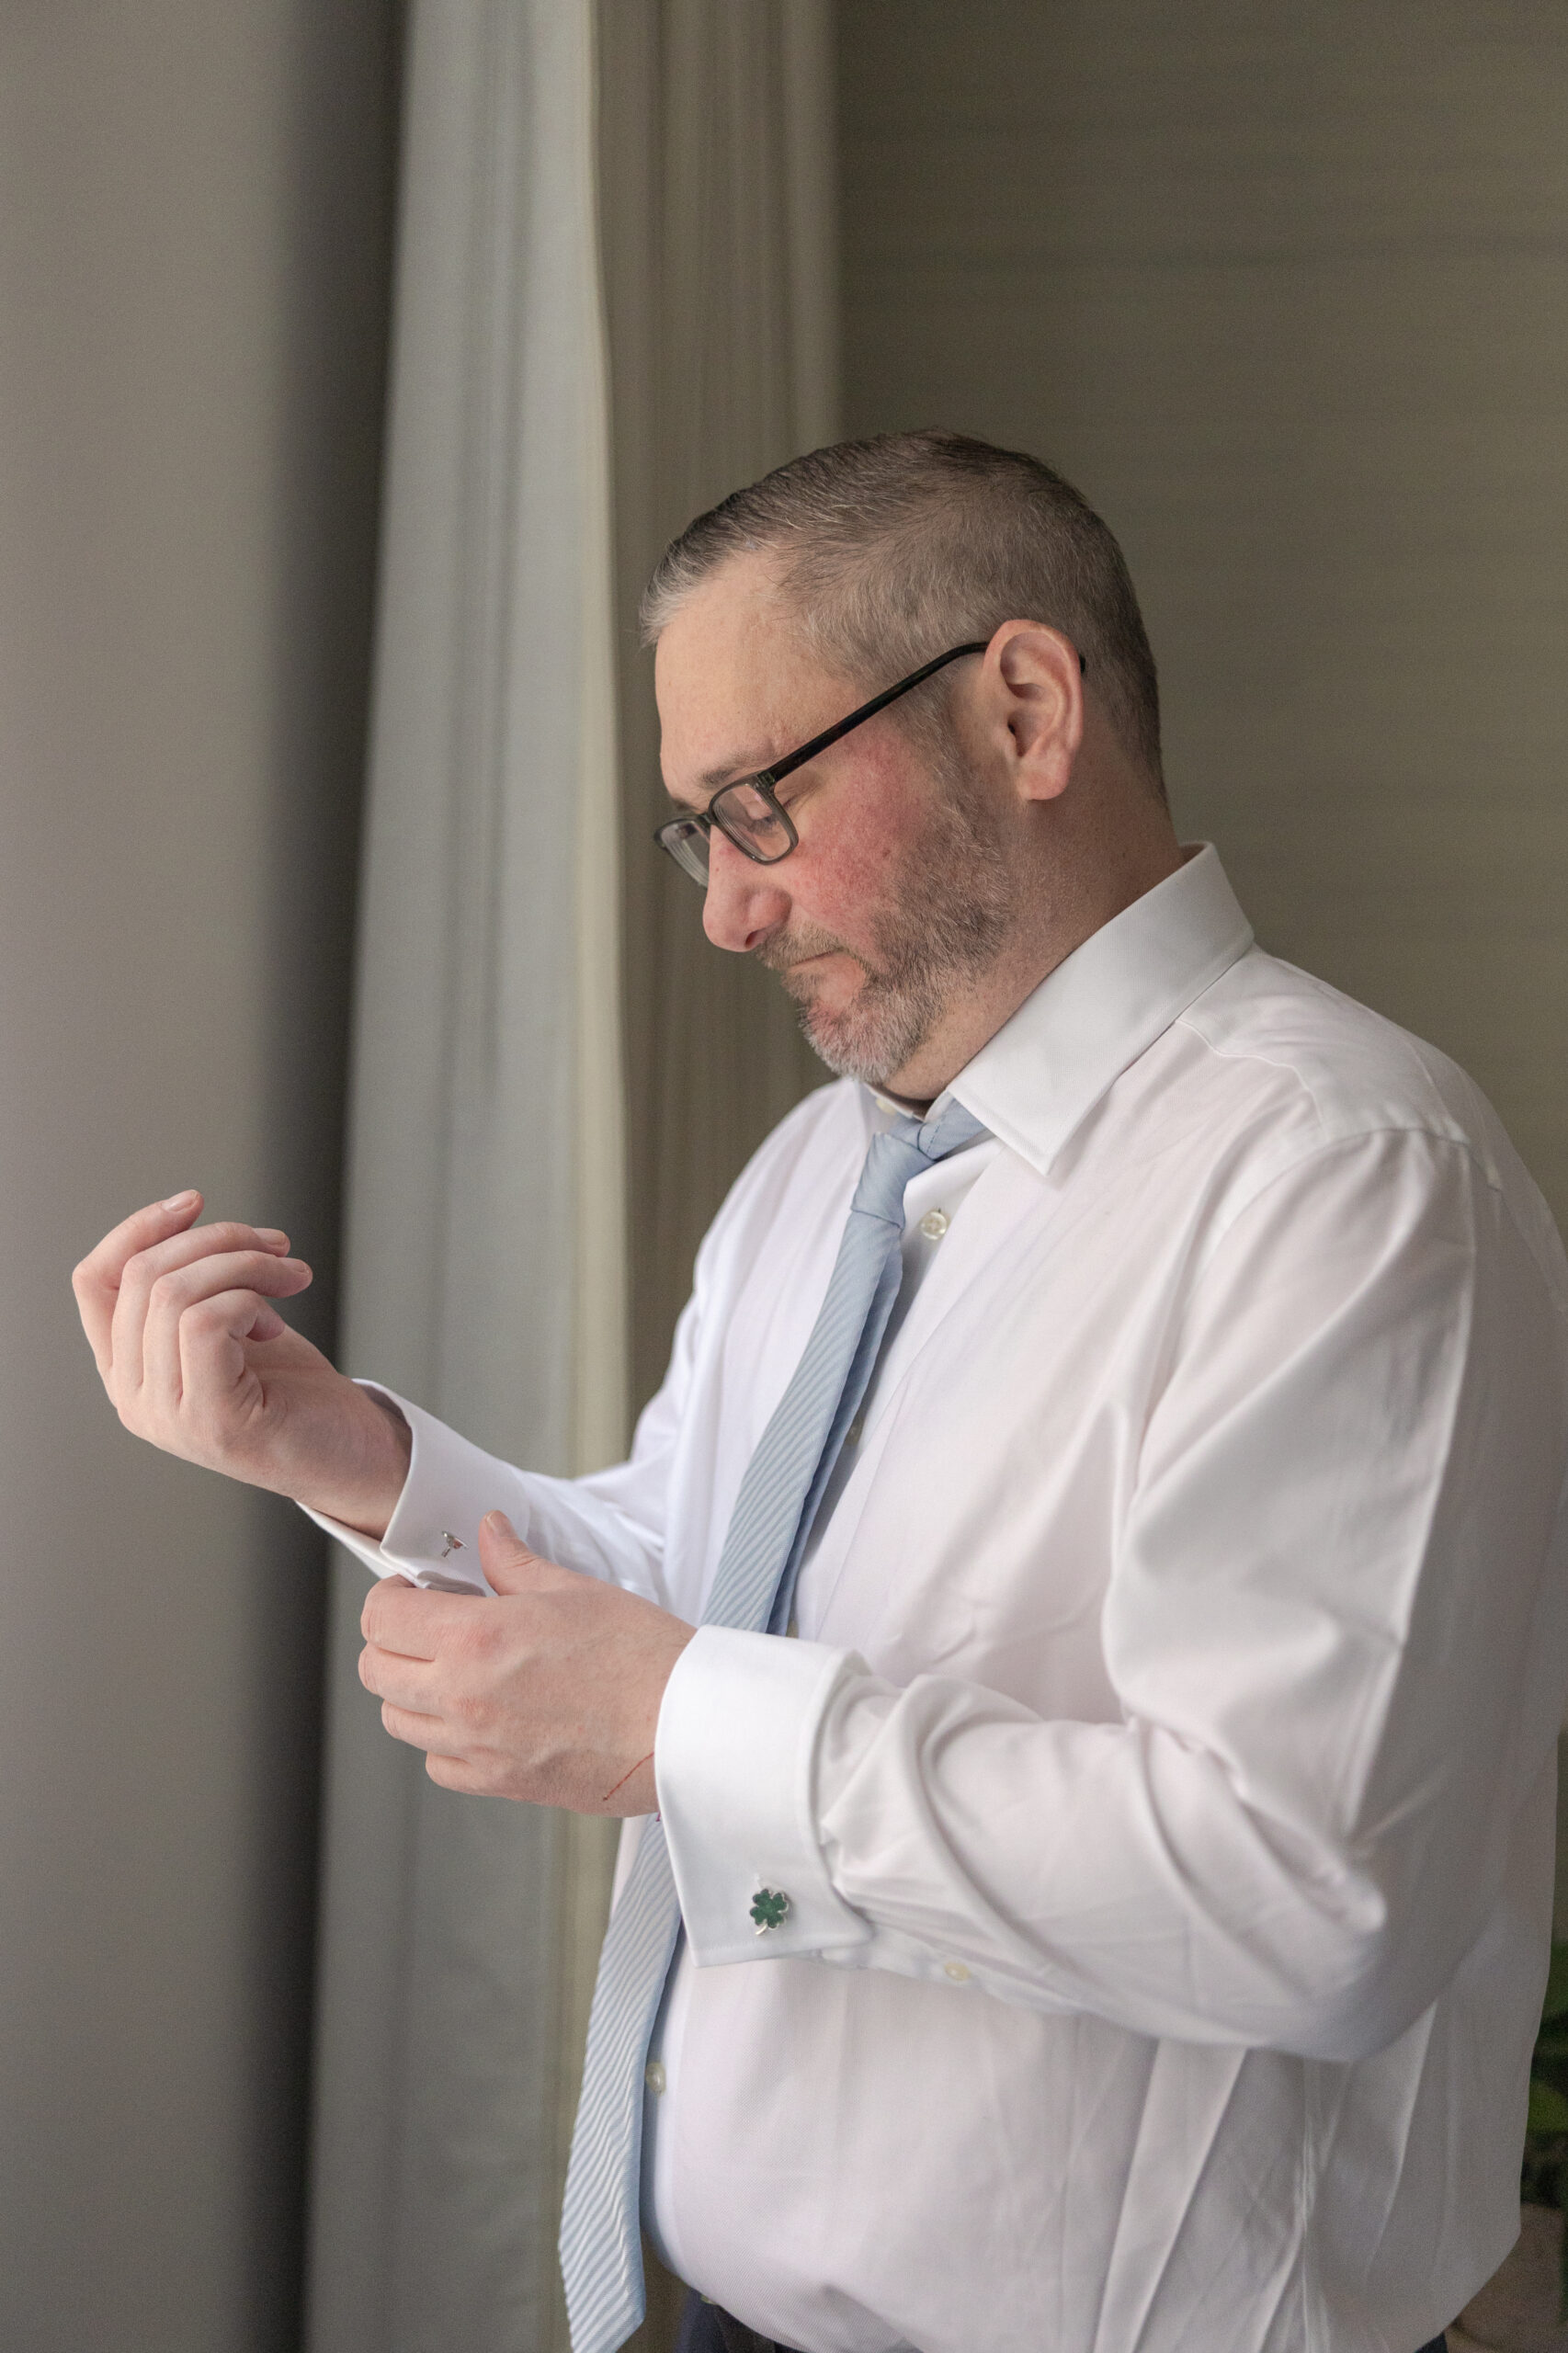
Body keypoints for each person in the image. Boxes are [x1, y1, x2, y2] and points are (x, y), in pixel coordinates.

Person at [74, 431, 1568, 2353]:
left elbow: (1304, 1889)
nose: (726, 910)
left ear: (1025, 709)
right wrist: (348, 1453)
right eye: (699, 832)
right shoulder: (821, 1170)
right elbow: (702, 1566)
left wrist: (688, 1717)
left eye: (757, 803)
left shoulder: (1345, 1172)